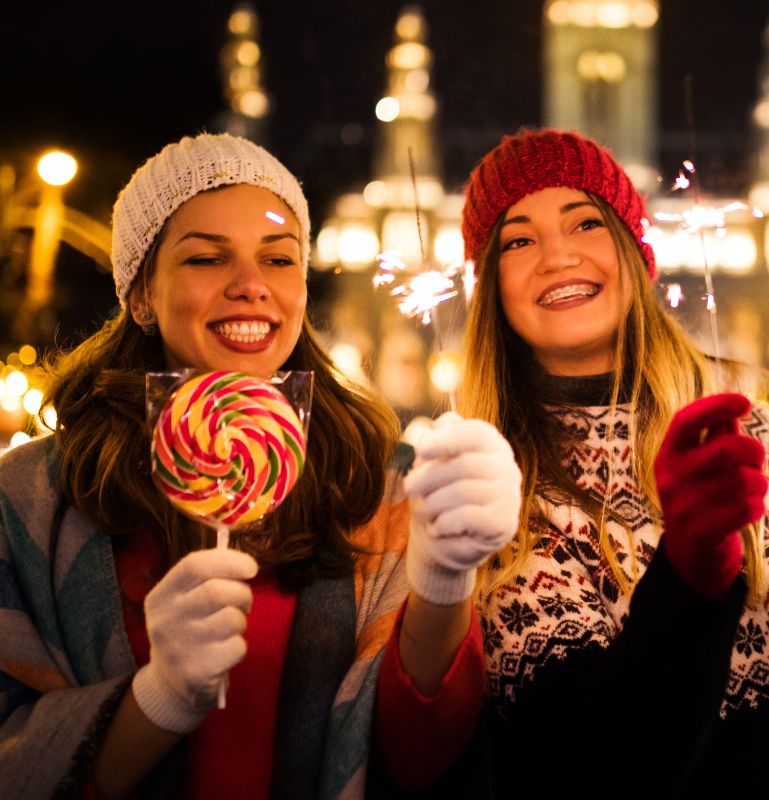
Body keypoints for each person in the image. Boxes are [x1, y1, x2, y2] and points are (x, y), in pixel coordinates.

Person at [0, 133, 520, 798]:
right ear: (140, 296)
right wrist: (157, 700)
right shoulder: (31, 502)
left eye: (279, 259)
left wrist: (446, 583)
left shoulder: (380, 488)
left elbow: (419, 758)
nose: (251, 287)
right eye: (206, 258)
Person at [455, 128, 769, 797]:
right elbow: (592, 766)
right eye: (518, 239)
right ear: (490, 285)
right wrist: (690, 577)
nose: (557, 255)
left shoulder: (757, 429)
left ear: (638, 254)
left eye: (586, 221)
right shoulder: (491, 477)